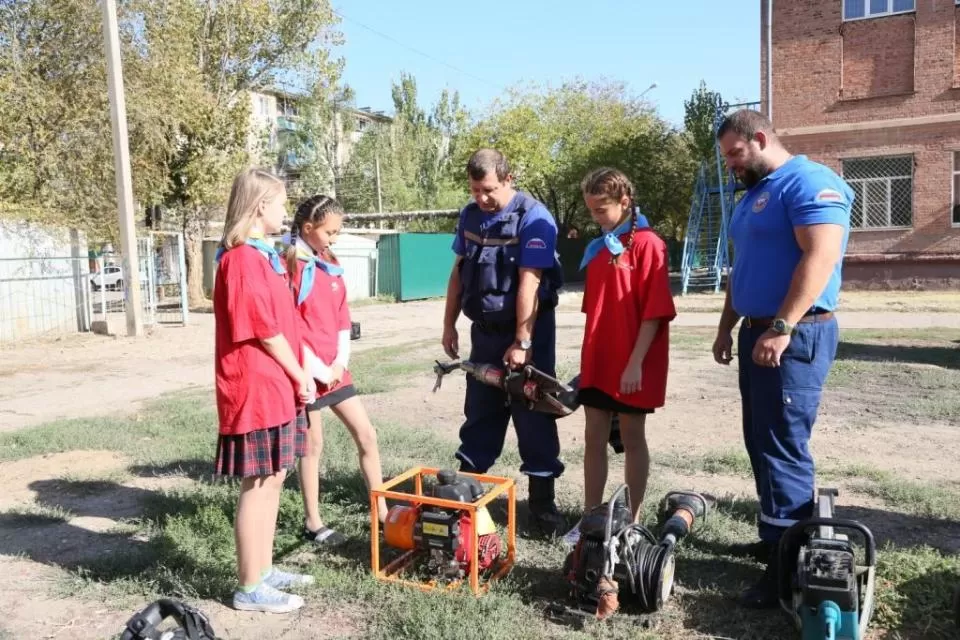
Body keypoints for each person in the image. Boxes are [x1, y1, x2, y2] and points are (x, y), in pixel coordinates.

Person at [712, 109, 852, 608]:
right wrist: (727, 326)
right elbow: (742, 268)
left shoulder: (809, 182)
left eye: (735, 153)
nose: (730, 164)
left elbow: (820, 257)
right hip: (758, 332)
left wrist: (781, 326)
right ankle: (776, 538)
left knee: (784, 445)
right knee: (762, 440)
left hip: (793, 334)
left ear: (762, 139)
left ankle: (788, 569)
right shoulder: (752, 195)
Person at [441, 148, 566, 537]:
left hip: (529, 336)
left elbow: (529, 280)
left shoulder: (534, 218)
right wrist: (449, 325)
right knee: (480, 413)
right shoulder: (470, 215)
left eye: (489, 190)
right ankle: (462, 497)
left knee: (533, 415)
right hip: (484, 335)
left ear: (508, 179)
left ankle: (542, 508)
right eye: (475, 189)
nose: (481, 198)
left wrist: (523, 341)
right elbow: (459, 273)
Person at [212, 167, 316, 613]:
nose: (285, 212)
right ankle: (249, 586)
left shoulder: (264, 257)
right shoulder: (241, 260)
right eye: (280, 203)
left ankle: (265, 569)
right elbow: (265, 331)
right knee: (258, 483)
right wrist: (300, 374)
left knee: (274, 477)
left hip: (276, 387)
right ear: (260, 207)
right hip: (257, 388)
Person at [563, 168, 676, 546]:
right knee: (593, 435)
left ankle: (632, 522)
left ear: (625, 202)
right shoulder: (600, 249)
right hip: (598, 359)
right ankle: (591, 519)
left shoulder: (648, 245)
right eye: (591, 209)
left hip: (633, 362)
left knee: (631, 435)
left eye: (602, 209)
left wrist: (634, 363)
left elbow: (655, 312)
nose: (595, 216)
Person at [286, 194, 389, 546]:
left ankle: (383, 513)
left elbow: (343, 318)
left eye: (337, 232)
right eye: (330, 232)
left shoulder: (330, 260)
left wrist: (339, 363)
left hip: (335, 370)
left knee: (367, 434)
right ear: (308, 228)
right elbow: (289, 328)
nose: (334, 238)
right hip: (306, 372)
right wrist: (315, 368)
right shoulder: (290, 265)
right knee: (312, 446)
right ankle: (313, 522)